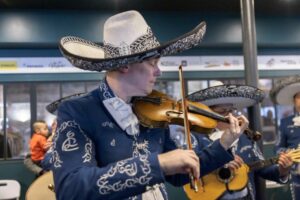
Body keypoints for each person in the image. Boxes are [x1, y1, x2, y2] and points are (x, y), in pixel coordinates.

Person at [50, 10, 249, 200]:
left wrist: (224, 143)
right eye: (153, 63)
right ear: (125, 64)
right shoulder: (78, 111)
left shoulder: (154, 113)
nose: (159, 71)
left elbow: (180, 174)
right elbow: (71, 188)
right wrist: (158, 163)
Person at [185, 84, 293, 200]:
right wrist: (217, 162)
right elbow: (187, 170)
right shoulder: (196, 137)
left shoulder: (245, 137)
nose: (230, 116)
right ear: (207, 114)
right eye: (223, 112)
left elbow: (262, 167)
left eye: (232, 110)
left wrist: (283, 170)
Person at [270, 75, 300, 200]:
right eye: (299, 97)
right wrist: (288, 155)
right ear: (294, 101)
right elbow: (277, 148)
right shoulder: (285, 122)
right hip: (297, 176)